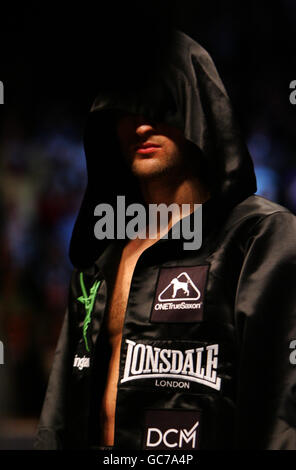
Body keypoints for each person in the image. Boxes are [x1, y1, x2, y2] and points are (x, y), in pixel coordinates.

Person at [35, 31, 296, 450]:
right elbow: (60, 413)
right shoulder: (99, 256)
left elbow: (281, 418)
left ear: (198, 113)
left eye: (160, 107)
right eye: (125, 110)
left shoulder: (259, 239)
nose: (140, 124)